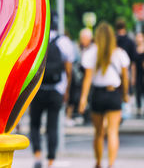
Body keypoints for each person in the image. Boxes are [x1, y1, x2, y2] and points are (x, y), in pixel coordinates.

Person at [79, 22, 129, 168]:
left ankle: (99, 162)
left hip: (98, 95)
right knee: (113, 132)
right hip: (113, 94)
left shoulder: (91, 53)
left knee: (98, 133)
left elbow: (87, 78)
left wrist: (83, 99)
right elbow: (125, 78)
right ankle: (111, 165)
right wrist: (125, 95)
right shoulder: (120, 53)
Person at [30, 12, 74, 168]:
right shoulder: (64, 42)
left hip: (37, 90)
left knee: (34, 124)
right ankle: (50, 161)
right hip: (56, 90)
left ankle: (37, 155)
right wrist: (66, 91)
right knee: (52, 126)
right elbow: (68, 70)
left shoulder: (36, 39)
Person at [134, 32, 144, 117]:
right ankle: (139, 108)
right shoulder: (135, 49)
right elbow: (133, 64)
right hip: (138, 74)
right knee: (138, 90)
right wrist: (132, 77)